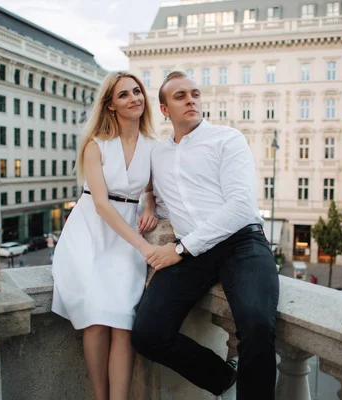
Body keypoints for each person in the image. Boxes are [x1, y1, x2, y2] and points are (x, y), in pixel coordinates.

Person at [131, 71, 280, 399]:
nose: (191, 100)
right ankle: (223, 378)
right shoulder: (158, 153)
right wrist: (149, 206)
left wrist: (181, 249)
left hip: (240, 242)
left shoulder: (228, 139)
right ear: (165, 109)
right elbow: (156, 194)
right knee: (147, 334)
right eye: (181, 96)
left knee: (256, 326)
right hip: (193, 249)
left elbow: (241, 206)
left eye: (195, 94)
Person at [51, 71, 159, 400]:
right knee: (97, 320)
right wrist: (142, 245)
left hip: (126, 233)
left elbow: (153, 189)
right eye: (124, 94)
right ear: (111, 105)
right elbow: (100, 204)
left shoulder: (153, 147)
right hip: (91, 233)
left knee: (124, 323)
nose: (134, 98)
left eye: (137, 91)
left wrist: (150, 207)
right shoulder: (95, 145)